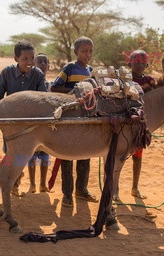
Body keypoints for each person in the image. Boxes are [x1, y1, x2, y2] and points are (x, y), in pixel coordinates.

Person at [0, 41, 47, 197]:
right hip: (12, 122)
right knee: (10, 152)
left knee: (28, 153)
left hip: (30, 125)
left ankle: (16, 179)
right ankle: (14, 182)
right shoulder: (7, 72)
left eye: (31, 58)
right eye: (25, 59)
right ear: (16, 59)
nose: (29, 62)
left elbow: (43, 98)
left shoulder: (38, 75)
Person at [51, 36, 98, 207]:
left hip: (86, 121)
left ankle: (82, 190)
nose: (88, 54)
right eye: (84, 51)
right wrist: (76, 92)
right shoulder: (70, 68)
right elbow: (55, 87)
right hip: (70, 120)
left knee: (85, 156)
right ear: (76, 52)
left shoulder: (91, 71)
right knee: (67, 157)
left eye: (90, 51)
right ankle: (67, 194)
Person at [115, 50, 156, 200]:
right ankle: (115, 190)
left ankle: (134, 188)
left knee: (138, 157)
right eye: (136, 62)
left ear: (147, 64)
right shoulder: (124, 80)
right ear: (129, 63)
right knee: (120, 157)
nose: (139, 65)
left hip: (141, 126)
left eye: (142, 62)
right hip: (125, 123)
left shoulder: (150, 81)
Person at [27, 53, 51, 193]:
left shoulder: (50, 85)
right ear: (34, 65)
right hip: (33, 124)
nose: (42, 64)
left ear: (48, 65)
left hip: (47, 125)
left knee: (45, 156)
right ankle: (32, 184)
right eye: (39, 62)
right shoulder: (31, 84)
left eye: (45, 62)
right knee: (31, 155)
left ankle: (43, 184)